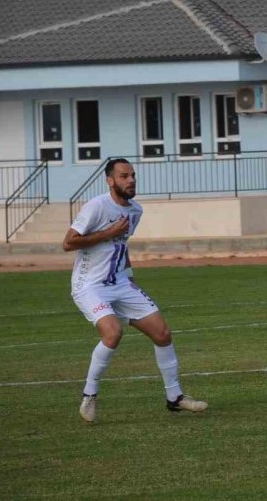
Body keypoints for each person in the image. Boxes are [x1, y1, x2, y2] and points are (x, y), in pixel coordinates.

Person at [64, 158, 207, 423]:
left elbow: (121, 247)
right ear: (110, 181)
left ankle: (174, 397)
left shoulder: (135, 211)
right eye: (123, 176)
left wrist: (130, 278)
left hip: (120, 283)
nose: (130, 180)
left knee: (162, 333)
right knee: (113, 333)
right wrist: (108, 232)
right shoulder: (96, 206)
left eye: (132, 175)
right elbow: (68, 242)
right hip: (89, 286)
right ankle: (89, 395)